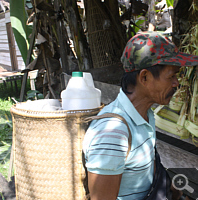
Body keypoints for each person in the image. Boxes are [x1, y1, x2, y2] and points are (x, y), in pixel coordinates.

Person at [82, 31, 198, 200]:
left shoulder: (145, 114)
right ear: (144, 77)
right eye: (171, 76)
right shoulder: (112, 135)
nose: (176, 83)